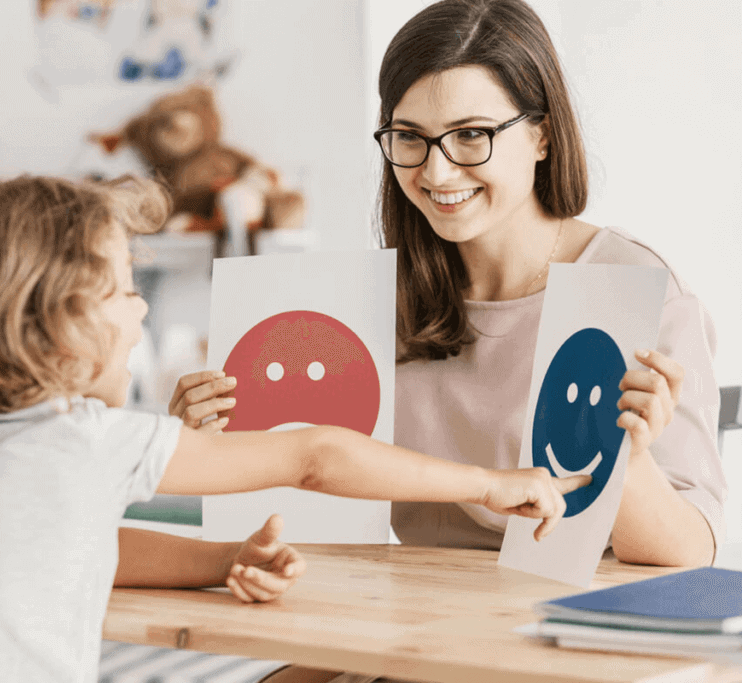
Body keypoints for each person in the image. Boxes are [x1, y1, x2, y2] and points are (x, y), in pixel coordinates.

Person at [172, 1, 727, 681]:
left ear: (543, 136)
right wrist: (204, 442)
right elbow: (309, 489)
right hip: (412, 633)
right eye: (410, 136)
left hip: (563, 646)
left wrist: (628, 459)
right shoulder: (373, 302)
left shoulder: (632, 286)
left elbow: (687, 555)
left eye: (470, 135)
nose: (436, 173)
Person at [0, 172, 587, 683]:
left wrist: (225, 557)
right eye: (126, 290)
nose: (141, 312)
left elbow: (79, 541)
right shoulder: (82, 439)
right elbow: (316, 454)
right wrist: (492, 482)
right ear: (56, 327)